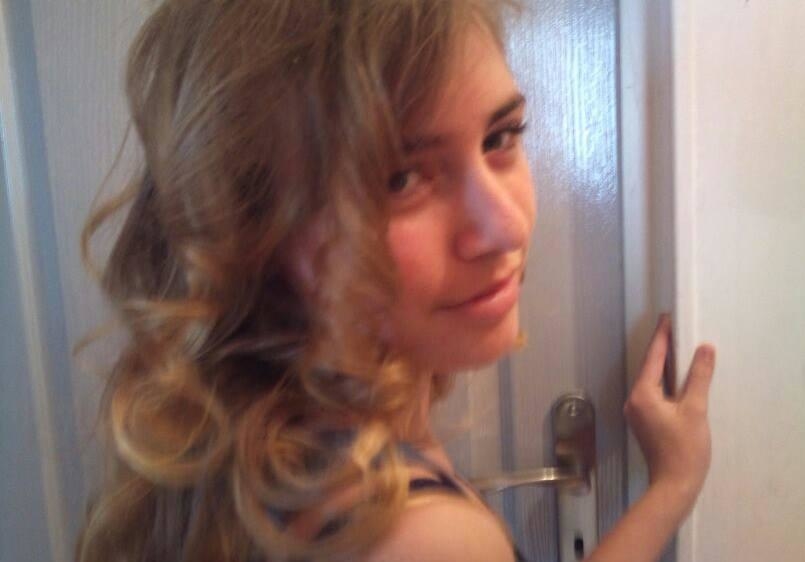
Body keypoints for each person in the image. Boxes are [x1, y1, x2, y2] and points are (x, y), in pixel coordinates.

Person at [76, 1, 716, 561]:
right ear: (250, 228)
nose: (505, 227)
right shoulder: (419, 538)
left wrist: (671, 486)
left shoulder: (254, 431)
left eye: (501, 137)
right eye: (399, 179)